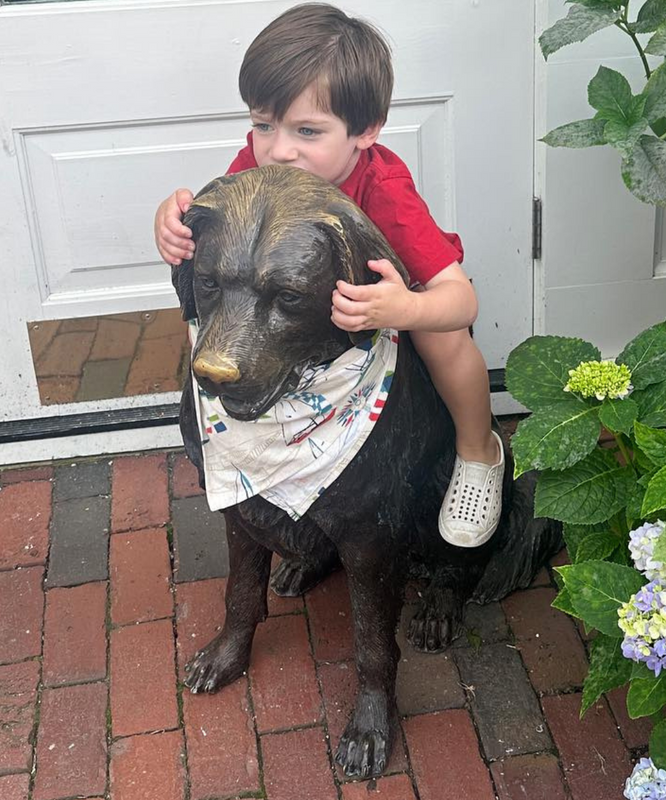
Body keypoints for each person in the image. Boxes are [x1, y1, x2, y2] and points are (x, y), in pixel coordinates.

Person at [153, 2, 503, 547]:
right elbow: (224, 235)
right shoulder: (261, 164)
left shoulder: (384, 191)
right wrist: (171, 224)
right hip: (303, 321)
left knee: (445, 339)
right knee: (215, 313)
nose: (278, 150)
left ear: (365, 130)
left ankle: (479, 450)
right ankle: (228, 424)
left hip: (394, 302)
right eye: (263, 124)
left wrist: (404, 309)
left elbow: (460, 299)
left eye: (307, 130)